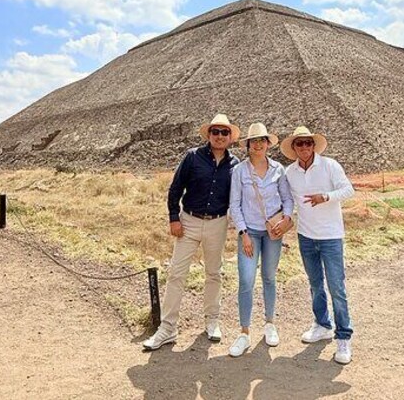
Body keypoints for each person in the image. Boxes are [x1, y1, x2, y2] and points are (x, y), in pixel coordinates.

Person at [142, 114, 241, 351]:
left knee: (214, 273)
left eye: (224, 132)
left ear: (230, 138)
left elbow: (238, 198)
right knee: (177, 273)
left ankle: (212, 321)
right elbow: (175, 188)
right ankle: (167, 328)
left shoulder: (235, 164)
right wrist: (174, 218)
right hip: (189, 221)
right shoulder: (192, 157)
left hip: (217, 223)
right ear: (208, 134)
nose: (219, 136)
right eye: (215, 131)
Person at [282, 126, 355, 365]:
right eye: (299, 144)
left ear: (313, 145)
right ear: (293, 148)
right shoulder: (289, 172)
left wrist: (326, 196)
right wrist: (282, 220)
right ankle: (322, 324)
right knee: (315, 284)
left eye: (308, 143)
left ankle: (343, 336)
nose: (304, 147)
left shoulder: (330, 165)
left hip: (331, 236)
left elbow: (348, 190)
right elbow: (288, 201)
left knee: (336, 286)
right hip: (306, 236)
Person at [227, 123, 294, 358]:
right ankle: (244, 332)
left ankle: (269, 324)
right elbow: (234, 204)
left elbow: (287, 199)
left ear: (268, 143)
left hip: (273, 232)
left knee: (269, 277)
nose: (258, 144)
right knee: (246, 280)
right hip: (250, 233)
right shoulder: (239, 172)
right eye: (254, 141)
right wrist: (243, 232)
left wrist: (286, 219)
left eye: (262, 140)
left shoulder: (279, 170)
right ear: (247, 145)